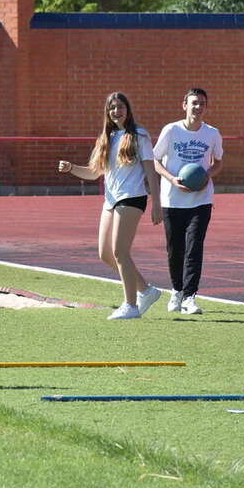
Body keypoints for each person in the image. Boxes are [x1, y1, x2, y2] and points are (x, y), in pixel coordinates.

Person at [58, 92, 163, 320]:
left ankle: (131, 306)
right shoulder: (106, 138)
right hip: (111, 200)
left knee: (120, 251)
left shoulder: (139, 135)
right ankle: (146, 290)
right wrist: (71, 168)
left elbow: (150, 171)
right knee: (105, 254)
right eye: (112, 107)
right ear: (108, 112)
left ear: (128, 109)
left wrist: (157, 203)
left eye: (121, 107)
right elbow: (93, 172)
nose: (117, 111)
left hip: (132, 197)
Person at [152, 88, 223, 315]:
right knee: (175, 249)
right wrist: (173, 179)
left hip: (201, 199)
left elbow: (218, 162)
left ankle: (190, 297)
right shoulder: (171, 131)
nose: (198, 108)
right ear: (184, 105)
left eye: (202, 103)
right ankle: (176, 291)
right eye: (194, 103)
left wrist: (206, 176)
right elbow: (154, 160)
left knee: (194, 248)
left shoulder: (212, 133)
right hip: (172, 199)